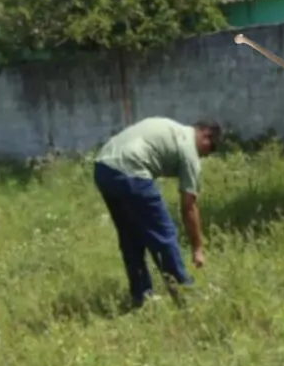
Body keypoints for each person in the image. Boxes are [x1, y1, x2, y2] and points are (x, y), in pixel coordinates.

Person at [93, 117, 221, 308]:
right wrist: (197, 248)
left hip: (103, 168)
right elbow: (189, 207)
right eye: (209, 150)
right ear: (205, 135)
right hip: (131, 170)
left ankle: (141, 296)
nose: (205, 156)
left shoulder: (172, 128)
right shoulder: (189, 150)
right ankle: (184, 295)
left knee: (131, 237)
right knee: (164, 234)